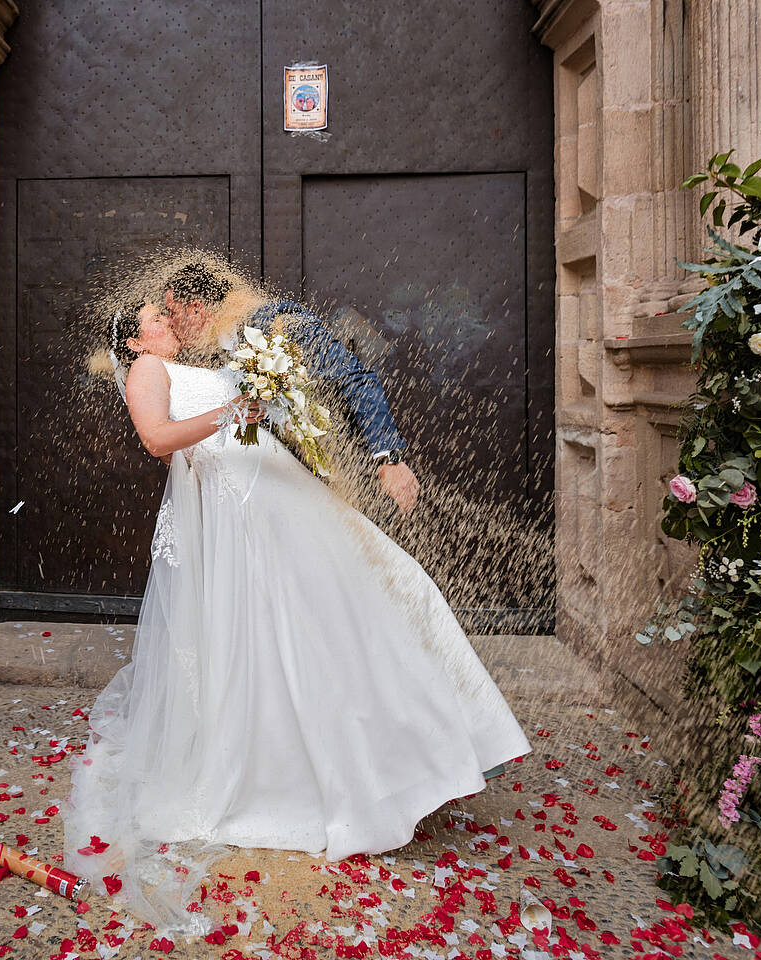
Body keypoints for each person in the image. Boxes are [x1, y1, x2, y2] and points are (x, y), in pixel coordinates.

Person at [62, 297, 531, 937]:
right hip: (248, 506)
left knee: (373, 592)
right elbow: (155, 440)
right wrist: (232, 408)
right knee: (320, 616)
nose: (166, 322)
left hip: (274, 491)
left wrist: (269, 401)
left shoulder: (230, 343)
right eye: (155, 317)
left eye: (171, 312)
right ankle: (338, 767)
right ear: (136, 338)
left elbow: (279, 405)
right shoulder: (147, 369)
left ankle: (431, 743)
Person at [161, 262, 422, 514]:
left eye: (171, 313)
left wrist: (390, 459)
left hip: (355, 474)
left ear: (195, 309)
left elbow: (354, 377)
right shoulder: (214, 359)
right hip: (289, 498)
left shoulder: (276, 321)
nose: (169, 323)